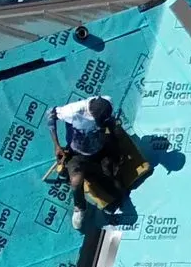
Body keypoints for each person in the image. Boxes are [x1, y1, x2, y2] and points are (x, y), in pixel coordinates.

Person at [49, 95, 150, 232]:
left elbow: (110, 124)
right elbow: (50, 114)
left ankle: (114, 184)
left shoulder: (107, 101)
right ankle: (80, 207)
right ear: (92, 114)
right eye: (100, 120)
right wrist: (56, 145)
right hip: (77, 153)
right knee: (76, 181)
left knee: (115, 185)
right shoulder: (72, 111)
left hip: (101, 149)